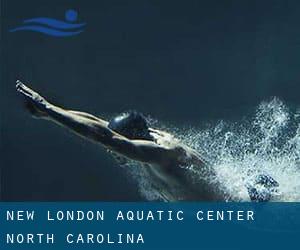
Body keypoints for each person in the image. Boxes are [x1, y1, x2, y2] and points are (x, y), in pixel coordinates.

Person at [15, 80, 278, 201]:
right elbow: (99, 125)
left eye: (115, 146)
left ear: (132, 140)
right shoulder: (146, 139)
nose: (110, 151)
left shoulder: (162, 154)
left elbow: (105, 137)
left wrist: (48, 109)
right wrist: (51, 113)